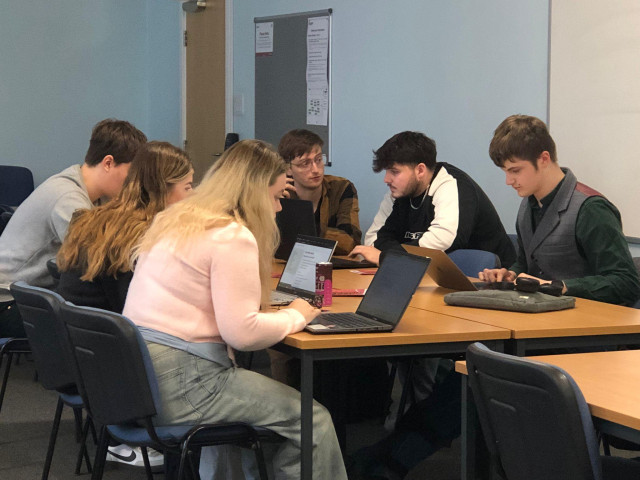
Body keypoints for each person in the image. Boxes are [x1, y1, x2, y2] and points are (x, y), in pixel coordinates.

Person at [122, 139, 347, 479]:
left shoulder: (174, 219)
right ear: (253, 192)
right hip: (185, 381)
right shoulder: (231, 236)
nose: (278, 209)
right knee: (313, 420)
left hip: (139, 375)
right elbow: (242, 334)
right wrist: (297, 314)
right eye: (275, 197)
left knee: (254, 411)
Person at [0, 118, 146, 337]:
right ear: (108, 163)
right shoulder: (68, 199)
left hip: (28, 296)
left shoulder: (88, 192)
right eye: (131, 173)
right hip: (9, 303)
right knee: (104, 316)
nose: (133, 183)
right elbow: (97, 257)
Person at [479, 114, 640, 306]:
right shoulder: (528, 204)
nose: (508, 181)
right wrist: (510, 274)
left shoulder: (591, 209)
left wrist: (560, 286)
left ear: (544, 159)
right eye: (505, 171)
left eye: (515, 171)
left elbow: (627, 283)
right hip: (542, 314)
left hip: (587, 322)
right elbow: (526, 264)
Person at [56, 141, 193, 314]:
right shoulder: (137, 237)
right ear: (162, 190)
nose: (193, 196)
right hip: (110, 334)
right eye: (188, 187)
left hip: (77, 332)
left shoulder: (94, 219)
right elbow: (135, 308)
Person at [351, 131, 516, 267]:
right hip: (428, 275)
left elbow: (444, 240)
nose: (386, 179)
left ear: (420, 170)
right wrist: (391, 254)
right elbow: (373, 239)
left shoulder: (451, 183)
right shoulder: (399, 193)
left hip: (490, 279)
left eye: (394, 172)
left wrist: (386, 257)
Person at [278, 129, 361, 254]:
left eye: (318, 160)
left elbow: (351, 241)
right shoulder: (279, 193)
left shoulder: (342, 187)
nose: (316, 170)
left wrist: (304, 235)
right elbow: (269, 241)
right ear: (288, 169)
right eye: (305, 163)